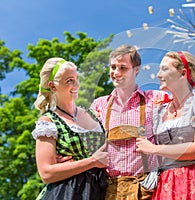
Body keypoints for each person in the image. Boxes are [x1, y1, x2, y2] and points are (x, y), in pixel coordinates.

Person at [136, 51, 195, 199]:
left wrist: (154, 149)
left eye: (164, 69)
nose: (158, 75)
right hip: (167, 185)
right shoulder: (159, 111)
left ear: (183, 73)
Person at [90, 45, 166, 200]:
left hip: (146, 190)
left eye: (123, 68)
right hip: (110, 190)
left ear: (136, 70)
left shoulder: (155, 99)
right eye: (113, 67)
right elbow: (88, 145)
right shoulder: (99, 105)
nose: (116, 73)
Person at [32, 57, 108, 200]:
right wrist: (92, 161)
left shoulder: (95, 114)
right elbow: (46, 173)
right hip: (68, 193)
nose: (76, 85)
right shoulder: (49, 121)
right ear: (53, 86)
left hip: (101, 190)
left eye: (76, 78)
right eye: (69, 81)